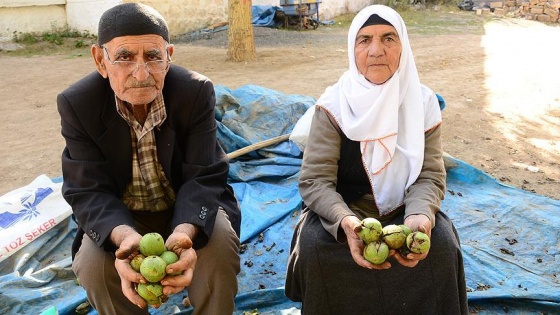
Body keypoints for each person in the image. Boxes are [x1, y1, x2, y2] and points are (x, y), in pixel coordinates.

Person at [57, 3, 241, 314]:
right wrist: (124, 235)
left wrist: (185, 231)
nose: (141, 73)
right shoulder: (78, 104)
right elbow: (86, 189)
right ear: (100, 60)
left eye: (153, 57)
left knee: (219, 249)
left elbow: (204, 174)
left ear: (169, 56)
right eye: (124, 57)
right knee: (93, 266)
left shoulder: (195, 92)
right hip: (121, 214)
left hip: (185, 206)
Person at [285, 5, 468, 314]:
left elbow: (430, 176)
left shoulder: (422, 103)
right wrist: (346, 221)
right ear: (352, 48)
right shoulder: (333, 105)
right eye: (364, 40)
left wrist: (419, 217)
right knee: (316, 249)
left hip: (404, 211)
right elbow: (316, 181)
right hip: (345, 215)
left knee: (442, 249)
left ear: (403, 47)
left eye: (388, 38)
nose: (376, 50)